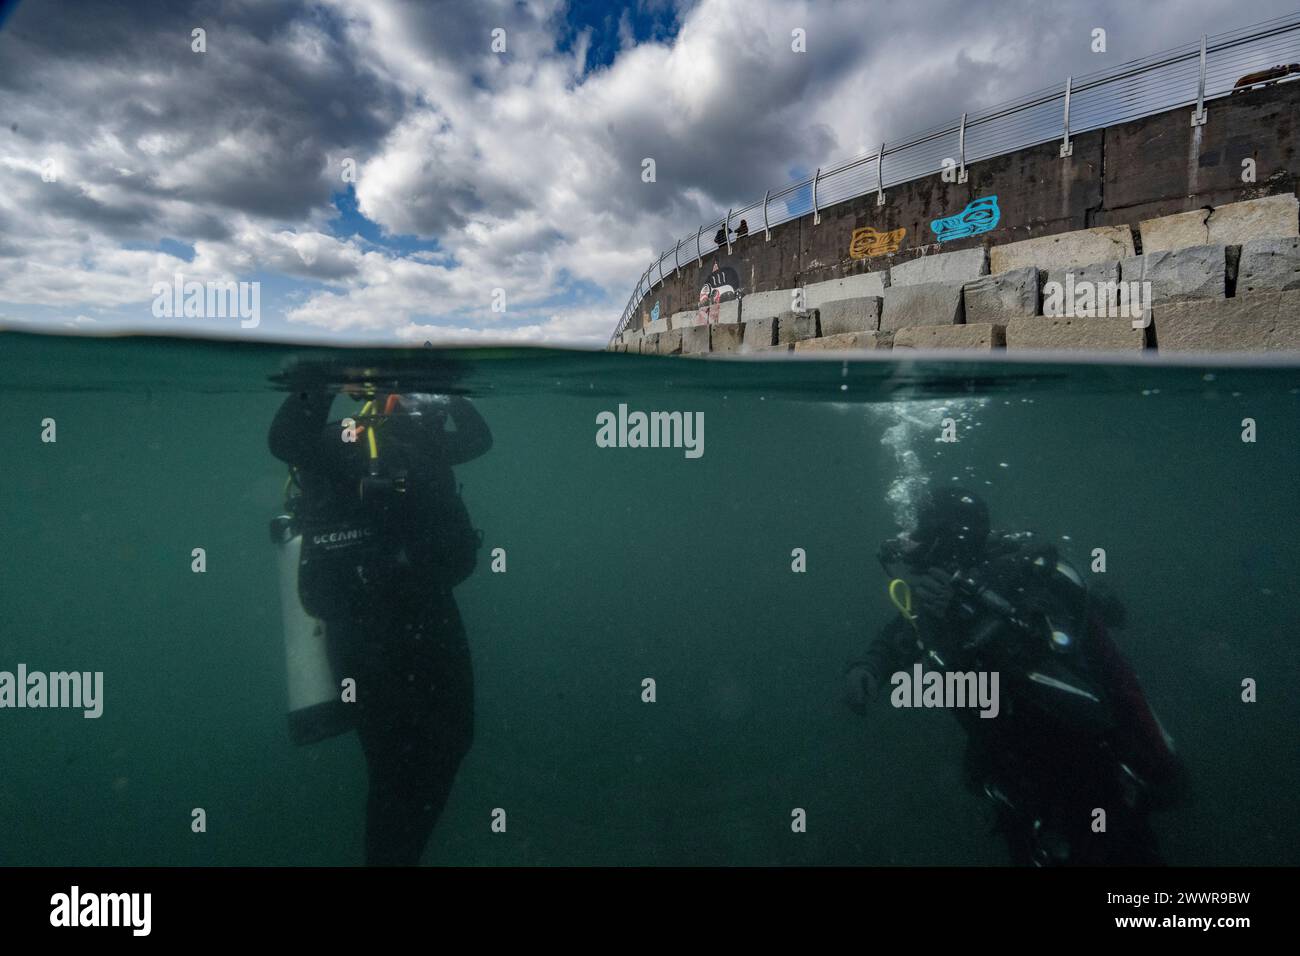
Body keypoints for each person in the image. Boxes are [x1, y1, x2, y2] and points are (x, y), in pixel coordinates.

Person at [844, 487, 1187, 866]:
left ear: (950, 538)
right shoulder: (943, 598)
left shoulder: (1020, 579)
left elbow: (1069, 683)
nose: (912, 549)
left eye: (922, 535)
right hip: (1015, 786)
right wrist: (871, 667)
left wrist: (972, 624)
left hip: (1087, 771)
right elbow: (906, 631)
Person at [269, 378, 492, 865]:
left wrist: (450, 392)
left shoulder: (425, 443)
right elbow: (286, 441)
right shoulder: (348, 439)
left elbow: (478, 440)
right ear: (379, 395)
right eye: (408, 392)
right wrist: (326, 378)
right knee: (394, 763)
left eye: (423, 394)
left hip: (429, 611)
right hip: (364, 624)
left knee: (453, 739)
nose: (418, 402)